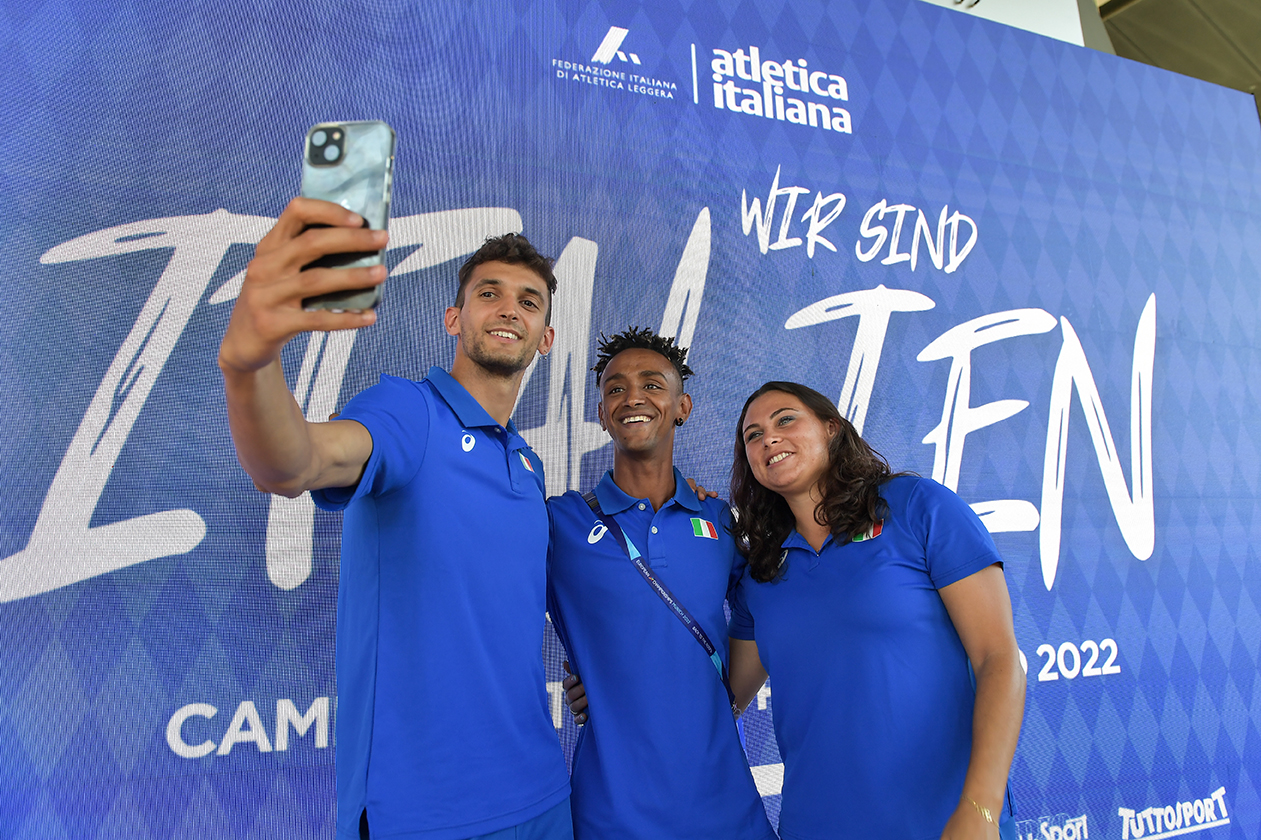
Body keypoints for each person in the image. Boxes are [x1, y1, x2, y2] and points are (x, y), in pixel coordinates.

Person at [218, 197, 571, 840]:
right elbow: (295, 462)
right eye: (488, 293)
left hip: (543, 795)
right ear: (453, 318)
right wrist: (250, 364)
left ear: (545, 338)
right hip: (423, 816)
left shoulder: (529, 464)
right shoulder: (410, 412)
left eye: (528, 301)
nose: (508, 309)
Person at [727, 381, 1025, 840]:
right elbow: (724, 701)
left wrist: (981, 808)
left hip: (945, 825)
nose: (769, 438)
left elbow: (998, 658)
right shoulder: (760, 572)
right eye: (753, 435)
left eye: (785, 419)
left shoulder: (917, 507)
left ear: (831, 428)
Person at [546, 328, 775, 840]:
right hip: (612, 814)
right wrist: (599, 680)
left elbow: (765, 613)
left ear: (682, 407)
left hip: (726, 808)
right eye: (615, 389)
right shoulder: (560, 522)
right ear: (602, 414)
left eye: (652, 385)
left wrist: (722, 703)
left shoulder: (719, 520)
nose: (633, 397)